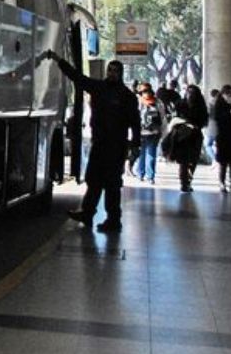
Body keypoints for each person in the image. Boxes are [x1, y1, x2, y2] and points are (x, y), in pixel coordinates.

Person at [42, 52, 140, 233]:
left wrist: (135, 145)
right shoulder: (99, 88)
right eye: (110, 70)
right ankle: (87, 213)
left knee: (112, 185)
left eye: (115, 71)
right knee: (94, 181)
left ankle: (113, 219)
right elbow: (78, 78)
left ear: (121, 74)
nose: (112, 73)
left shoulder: (127, 97)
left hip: (116, 146)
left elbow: (135, 122)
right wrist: (59, 60)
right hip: (100, 144)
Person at [137, 84, 163, 184]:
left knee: (142, 154)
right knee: (151, 154)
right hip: (153, 132)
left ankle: (140, 173)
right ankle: (150, 177)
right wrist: (163, 132)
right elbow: (163, 118)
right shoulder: (158, 102)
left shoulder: (138, 101)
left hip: (141, 132)